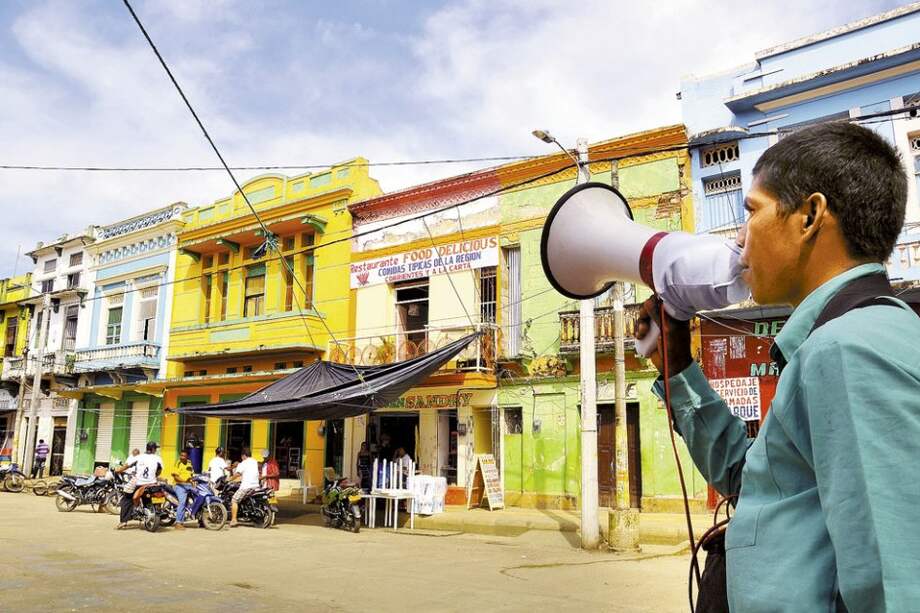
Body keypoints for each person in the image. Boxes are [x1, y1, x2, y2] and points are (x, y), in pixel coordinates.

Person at [637, 122, 920, 612]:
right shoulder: (834, 342)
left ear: (809, 215)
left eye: (751, 211)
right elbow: (749, 479)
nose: (740, 236)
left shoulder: (847, 349)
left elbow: (896, 586)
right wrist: (677, 365)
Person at [114, 441, 162, 529]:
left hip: (139, 483)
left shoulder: (139, 457)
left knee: (127, 499)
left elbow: (126, 466)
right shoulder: (158, 458)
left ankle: (123, 521)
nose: (156, 450)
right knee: (149, 498)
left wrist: (118, 470)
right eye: (155, 448)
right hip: (152, 483)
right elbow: (159, 471)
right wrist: (154, 477)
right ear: (153, 449)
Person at [229, 447, 259, 527]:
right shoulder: (254, 461)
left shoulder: (243, 463)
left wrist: (230, 479)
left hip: (247, 486)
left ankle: (234, 519)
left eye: (242, 456)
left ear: (244, 455)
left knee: (234, 500)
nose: (241, 458)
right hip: (255, 485)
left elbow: (238, 474)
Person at [171, 449, 195, 530]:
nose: (182, 457)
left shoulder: (189, 463)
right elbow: (176, 477)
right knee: (182, 502)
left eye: (184, 456)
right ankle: (178, 523)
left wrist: (193, 481)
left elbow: (191, 474)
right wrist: (185, 481)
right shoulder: (178, 463)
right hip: (179, 486)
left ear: (187, 456)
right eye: (181, 455)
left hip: (188, 485)